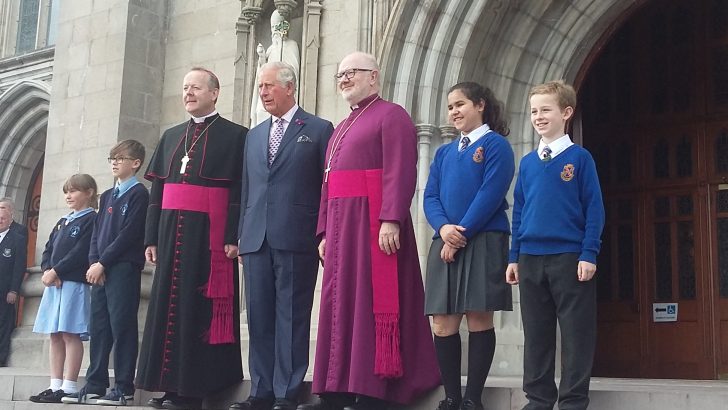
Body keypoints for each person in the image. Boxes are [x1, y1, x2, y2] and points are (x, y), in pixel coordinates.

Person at [300, 51, 440, 410]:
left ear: (374, 76)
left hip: (373, 224)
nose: (345, 79)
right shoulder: (342, 126)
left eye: (352, 73)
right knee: (339, 304)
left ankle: (374, 390)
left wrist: (390, 217)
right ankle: (335, 389)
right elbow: (327, 184)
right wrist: (323, 232)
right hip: (341, 227)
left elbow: (400, 169)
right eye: (340, 74)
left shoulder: (391, 115)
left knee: (370, 302)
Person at [136, 67, 246, 410]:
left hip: (209, 238)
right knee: (167, 307)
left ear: (214, 93)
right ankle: (168, 387)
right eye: (185, 88)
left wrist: (233, 235)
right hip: (170, 235)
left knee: (197, 309)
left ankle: (194, 391)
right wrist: (150, 237)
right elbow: (158, 191)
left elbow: (241, 190)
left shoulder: (236, 135)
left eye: (195, 88)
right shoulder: (170, 136)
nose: (188, 93)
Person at [232, 61, 333, 410]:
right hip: (256, 238)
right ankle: (259, 391)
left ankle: (285, 393)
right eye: (260, 87)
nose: (262, 92)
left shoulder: (319, 129)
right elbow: (248, 190)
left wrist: (323, 232)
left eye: (269, 86)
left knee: (292, 317)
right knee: (258, 317)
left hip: (297, 237)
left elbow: (326, 187)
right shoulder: (254, 134)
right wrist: (242, 236)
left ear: (289, 88)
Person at [505, 80, 605, 410]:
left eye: (546, 109)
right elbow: (519, 211)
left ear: (566, 112)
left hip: (569, 257)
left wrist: (588, 252)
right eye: (534, 111)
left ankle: (573, 401)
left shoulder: (579, 158)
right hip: (531, 258)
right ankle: (539, 399)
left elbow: (594, 208)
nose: (538, 116)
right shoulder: (529, 163)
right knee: (537, 334)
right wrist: (514, 256)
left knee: (576, 334)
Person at [423, 82, 515, 410]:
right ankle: (452, 397)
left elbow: (491, 194)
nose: (454, 112)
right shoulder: (444, 152)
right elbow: (430, 196)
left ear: (480, 105)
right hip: (446, 239)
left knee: (478, 316)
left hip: (484, 239)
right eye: (450, 107)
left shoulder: (497, 146)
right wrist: (445, 229)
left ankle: (472, 399)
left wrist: (459, 235)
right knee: (443, 322)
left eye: (460, 104)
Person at [61, 140, 149, 406]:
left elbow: (129, 234)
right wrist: (93, 262)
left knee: (122, 326)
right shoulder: (108, 196)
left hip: (122, 268)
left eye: (120, 158)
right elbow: (97, 234)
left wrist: (104, 262)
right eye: (111, 158)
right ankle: (95, 384)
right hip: (99, 270)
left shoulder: (140, 194)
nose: (114, 162)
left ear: (135, 163)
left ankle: (124, 387)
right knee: (99, 327)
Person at [29, 174, 98, 403]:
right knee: (55, 333)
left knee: (70, 332)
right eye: (67, 191)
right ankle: (54, 384)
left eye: (74, 191)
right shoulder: (63, 221)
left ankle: (69, 386)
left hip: (73, 283)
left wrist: (57, 271)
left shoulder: (91, 220)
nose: (69, 196)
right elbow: (49, 248)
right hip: (55, 283)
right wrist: (48, 269)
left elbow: (79, 252)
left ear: (88, 193)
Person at [250, 10, 301, 126]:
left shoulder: (291, 45)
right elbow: (262, 71)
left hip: (280, 88)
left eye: (276, 27)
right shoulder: (271, 49)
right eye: (272, 28)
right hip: (268, 91)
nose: (274, 31)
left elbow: (293, 70)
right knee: (260, 111)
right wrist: (262, 57)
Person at [0, 208, 27, 367]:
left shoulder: (17, 239)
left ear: (10, 221)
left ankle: (1, 358)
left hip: (5, 292)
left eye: (3, 218)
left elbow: (19, 267)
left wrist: (14, 290)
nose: (0, 220)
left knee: (3, 325)